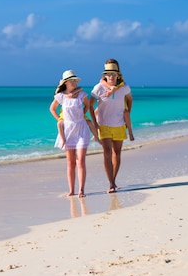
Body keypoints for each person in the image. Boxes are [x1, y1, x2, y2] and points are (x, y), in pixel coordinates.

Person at [89, 59, 134, 193]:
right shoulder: (99, 88)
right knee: (107, 154)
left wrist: (127, 114)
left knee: (117, 153)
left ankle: (113, 180)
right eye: (108, 74)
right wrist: (94, 122)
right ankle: (111, 183)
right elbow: (90, 105)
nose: (111, 76)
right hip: (104, 125)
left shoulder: (125, 87)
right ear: (105, 76)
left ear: (118, 75)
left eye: (113, 74)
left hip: (119, 125)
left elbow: (130, 100)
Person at [50, 70, 93, 198]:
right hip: (68, 130)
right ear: (66, 82)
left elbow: (88, 106)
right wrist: (60, 120)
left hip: (81, 128)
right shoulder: (60, 96)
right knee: (70, 162)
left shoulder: (82, 95)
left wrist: (81, 115)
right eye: (71, 80)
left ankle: (81, 190)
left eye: (75, 80)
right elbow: (52, 109)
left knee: (81, 161)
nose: (74, 82)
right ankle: (71, 190)